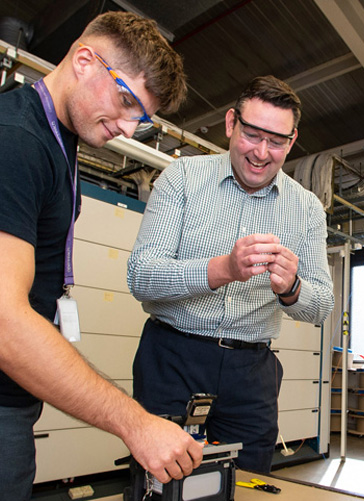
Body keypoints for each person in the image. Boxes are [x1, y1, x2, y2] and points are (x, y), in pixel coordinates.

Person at [0, 12, 203, 501]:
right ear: (85, 60)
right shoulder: (17, 139)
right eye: (127, 100)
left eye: (143, 117)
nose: (130, 127)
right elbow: (4, 321)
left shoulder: (56, 142)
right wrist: (135, 424)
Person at [127, 75, 334, 473]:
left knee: (247, 489)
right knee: (160, 489)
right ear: (229, 124)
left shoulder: (307, 208)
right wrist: (223, 269)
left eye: (276, 141)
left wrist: (292, 288)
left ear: (292, 142)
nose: (261, 152)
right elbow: (141, 276)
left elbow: (321, 305)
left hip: (250, 371)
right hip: (172, 357)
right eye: (252, 134)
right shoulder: (182, 177)